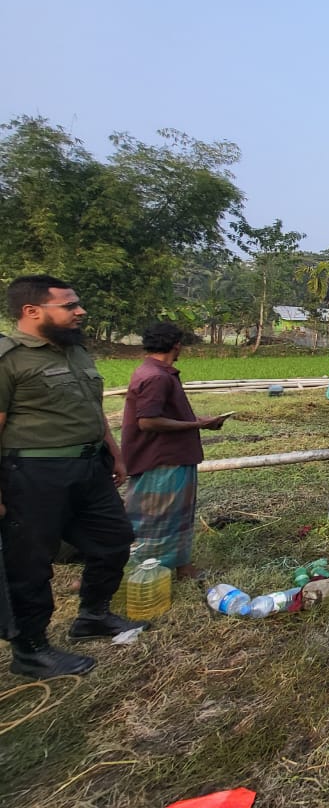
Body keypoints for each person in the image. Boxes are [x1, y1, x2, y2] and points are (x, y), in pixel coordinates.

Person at [0, 275, 143, 679]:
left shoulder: (75, 352)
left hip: (88, 465)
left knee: (114, 540)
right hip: (32, 472)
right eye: (69, 305)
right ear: (33, 311)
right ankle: (30, 650)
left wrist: (114, 454)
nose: (80, 311)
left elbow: (93, 411)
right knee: (31, 562)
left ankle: (92, 616)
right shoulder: (9, 359)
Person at [120, 322, 227, 578]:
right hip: (162, 459)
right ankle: (146, 570)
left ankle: (181, 566)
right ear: (176, 345)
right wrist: (196, 425)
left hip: (171, 455)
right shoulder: (156, 377)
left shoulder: (153, 372)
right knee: (157, 517)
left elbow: (161, 414)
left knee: (176, 514)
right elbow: (147, 421)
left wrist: (199, 422)